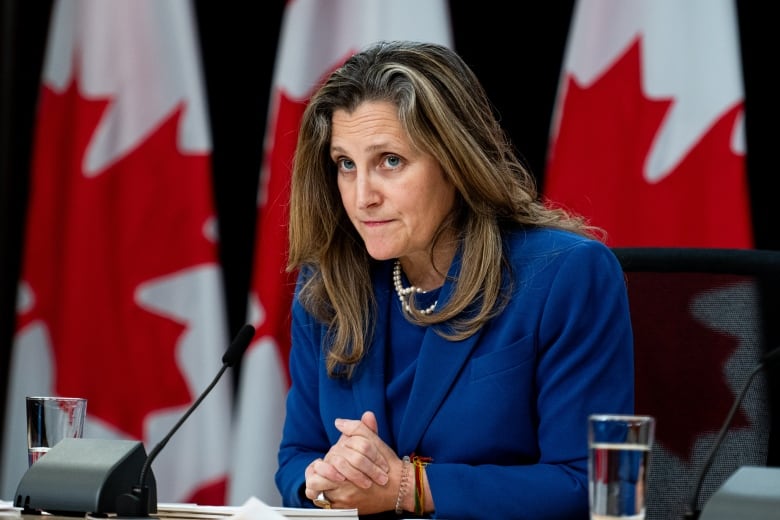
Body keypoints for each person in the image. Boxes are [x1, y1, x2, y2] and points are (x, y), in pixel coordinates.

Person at [275, 40, 634, 519]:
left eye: (390, 161)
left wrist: (410, 487)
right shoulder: (329, 283)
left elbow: (588, 484)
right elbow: (297, 456)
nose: (362, 197)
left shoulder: (565, 276)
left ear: (456, 162)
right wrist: (321, 482)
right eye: (346, 164)